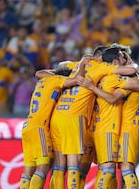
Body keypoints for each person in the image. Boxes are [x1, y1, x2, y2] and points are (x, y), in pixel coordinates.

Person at [49, 46, 138, 189]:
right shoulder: (102, 68)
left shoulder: (76, 65)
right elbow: (135, 77)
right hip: (89, 122)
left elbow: (61, 65)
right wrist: (131, 64)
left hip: (73, 120)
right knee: (98, 167)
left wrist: (81, 63)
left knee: (66, 166)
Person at [19, 58, 87, 189]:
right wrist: (82, 64)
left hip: (27, 126)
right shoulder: (57, 80)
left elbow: (39, 73)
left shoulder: (42, 81)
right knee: (43, 166)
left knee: (28, 169)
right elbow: (77, 78)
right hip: (39, 127)